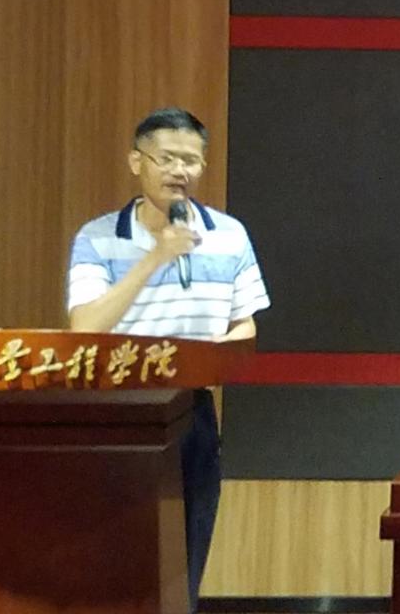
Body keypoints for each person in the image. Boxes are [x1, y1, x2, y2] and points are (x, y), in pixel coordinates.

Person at [65, 108, 269, 613]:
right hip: (118, 412)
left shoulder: (230, 234)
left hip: (192, 410)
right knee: (116, 560)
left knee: (186, 557)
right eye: (167, 158)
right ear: (137, 161)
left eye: (191, 161)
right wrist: (156, 255)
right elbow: (85, 327)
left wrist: (210, 357)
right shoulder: (97, 237)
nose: (180, 171)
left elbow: (245, 326)